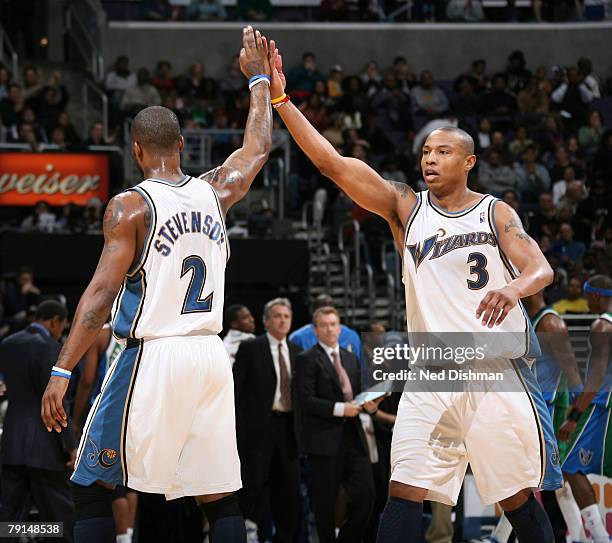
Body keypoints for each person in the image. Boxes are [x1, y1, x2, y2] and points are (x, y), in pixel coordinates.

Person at [267, 44, 561, 542]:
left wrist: (513, 287)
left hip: (493, 370)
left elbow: (541, 269)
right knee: (403, 490)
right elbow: (333, 165)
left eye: (443, 152)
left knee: (515, 500)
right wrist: (281, 100)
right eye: (426, 152)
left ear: (469, 161)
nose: (430, 159)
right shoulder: (405, 206)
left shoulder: (496, 212)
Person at [40, 26, 272, 543]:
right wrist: (259, 79)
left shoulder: (131, 206)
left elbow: (99, 298)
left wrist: (63, 368)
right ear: (183, 146)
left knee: (91, 481)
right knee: (218, 494)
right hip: (210, 358)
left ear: (137, 149)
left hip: (153, 354)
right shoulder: (216, 191)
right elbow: (256, 147)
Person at [295, 306, 377, 543]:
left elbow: (357, 392)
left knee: (367, 495)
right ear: (316, 329)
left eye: (333, 324)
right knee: (325, 503)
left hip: (353, 436)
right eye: (324, 325)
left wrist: (370, 405)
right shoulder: (306, 358)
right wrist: (342, 409)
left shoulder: (351, 357)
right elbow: (306, 400)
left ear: (340, 328)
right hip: (324, 440)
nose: (330, 329)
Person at [0, 300, 75, 542]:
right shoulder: (50, 347)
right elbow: (55, 403)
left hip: (11, 442)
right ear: (55, 320)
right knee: (61, 522)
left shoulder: (8, 343)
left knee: (9, 520)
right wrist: (71, 446)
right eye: (61, 326)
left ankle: (26, 536)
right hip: (43, 447)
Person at [233, 298, 301, 542]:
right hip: (258, 430)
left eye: (286, 316)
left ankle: (284, 536)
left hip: (288, 428)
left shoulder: (296, 351)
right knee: (254, 484)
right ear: (266, 321)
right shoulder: (251, 348)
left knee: (288, 489)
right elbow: (236, 390)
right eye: (278, 316)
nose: (283, 320)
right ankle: (251, 532)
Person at [557, 275, 612, 543]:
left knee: (570, 466)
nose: (587, 301)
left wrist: (575, 415)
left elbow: (597, 376)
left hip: (603, 407)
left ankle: (599, 536)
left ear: (597, 296)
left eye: (589, 295)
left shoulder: (602, 325)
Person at [289, 293, 362, 359]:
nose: (329, 329)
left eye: (329, 310)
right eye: (322, 311)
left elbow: (360, 368)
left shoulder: (352, 336)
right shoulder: (298, 338)